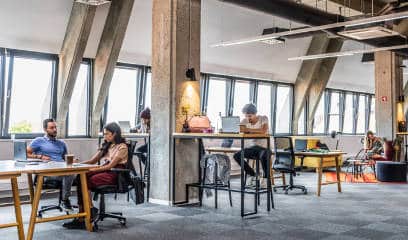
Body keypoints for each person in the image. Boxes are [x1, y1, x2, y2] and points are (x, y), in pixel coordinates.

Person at [63, 122, 128, 229]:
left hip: (115, 173)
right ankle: (84, 212)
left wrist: (92, 169)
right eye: (104, 134)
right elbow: (92, 161)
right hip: (106, 169)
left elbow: (110, 166)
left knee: (88, 179)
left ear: (115, 134)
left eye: (107, 134)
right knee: (81, 176)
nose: (104, 136)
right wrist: (78, 165)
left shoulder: (122, 147)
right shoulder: (107, 145)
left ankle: (88, 211)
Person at [27, 118, 75, 212]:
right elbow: (25, 153)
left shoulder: (61, 143)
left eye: (55, 127)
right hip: (47, 173)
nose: (55, 129)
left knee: (82, 175)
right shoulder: (39, 140)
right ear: (45, 129)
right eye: (52, 127)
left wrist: (72, 161)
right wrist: (40, 156)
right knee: (69, 174)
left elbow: (65, 158)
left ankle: (84, 213)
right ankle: (65, 200)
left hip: (62, 170)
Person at [233, 103, 270, 187]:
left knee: (264, 154)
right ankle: (253, 174)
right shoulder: (244, 121)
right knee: (237, 155)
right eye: (246, 116)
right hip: (254, 148)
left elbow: (263, 130)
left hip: (265, 147)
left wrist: (248, 130)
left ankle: (266, 178)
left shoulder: (263, 118)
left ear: (255, 114)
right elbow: (240, 130)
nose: (247, 118)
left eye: (250, 116)